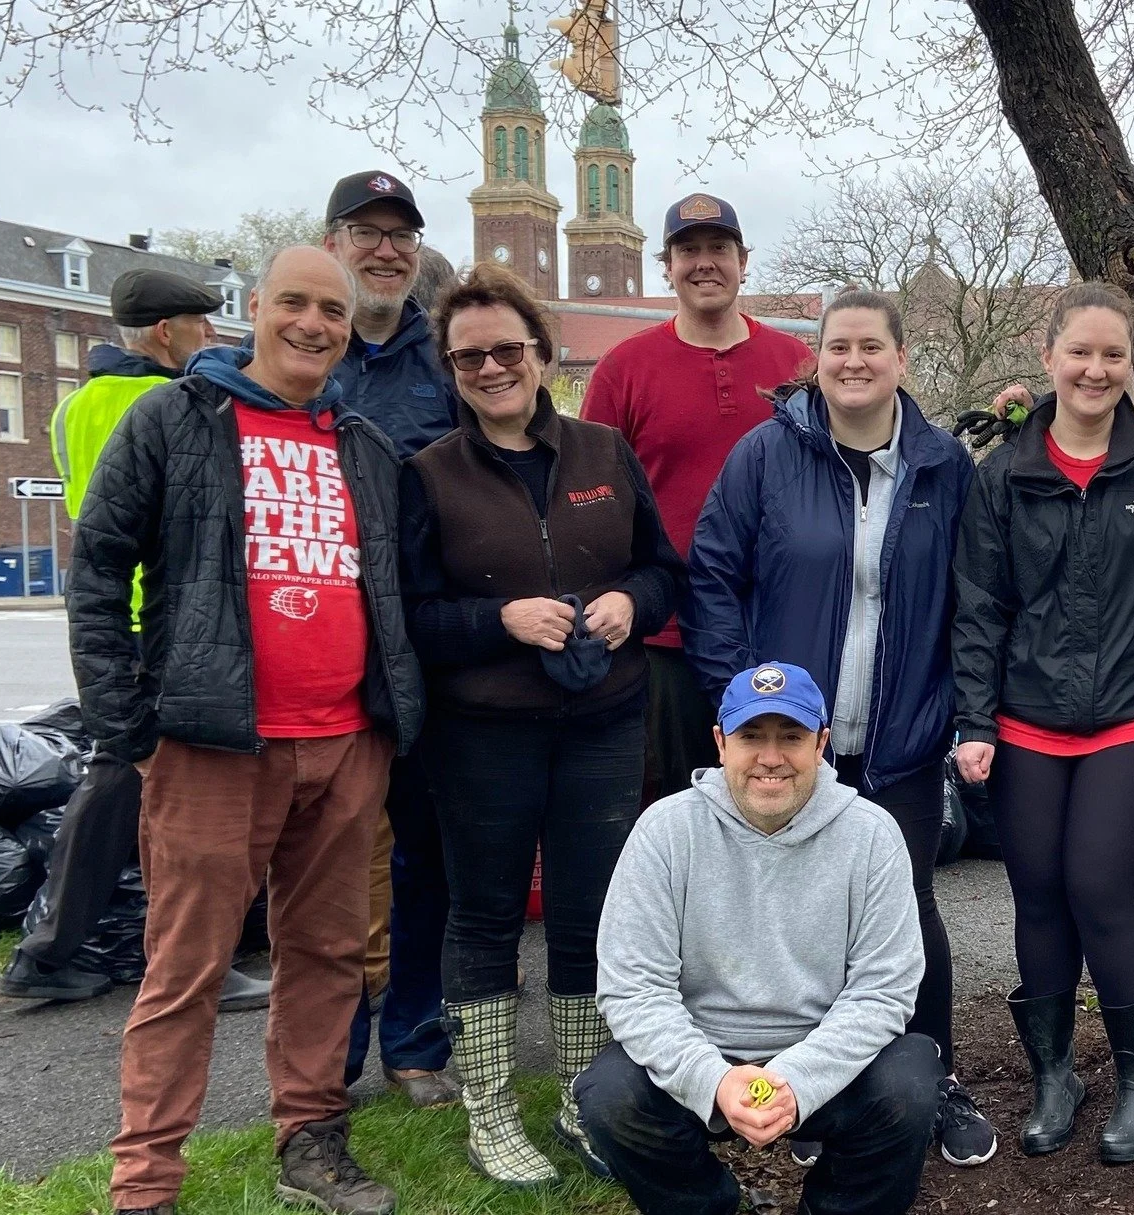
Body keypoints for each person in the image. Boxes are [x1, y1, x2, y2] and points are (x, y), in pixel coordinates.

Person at [71, 246, 423, 1215]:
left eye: (334, 312)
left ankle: (309, 1141)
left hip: (347, 745)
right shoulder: (173, 422)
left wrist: (388, 726)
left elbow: (389, 591)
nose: (314, 324)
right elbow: (98, 570)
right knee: (185, 969)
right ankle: (146, 1178)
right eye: (296, 304)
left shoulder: (364, 446)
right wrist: (128, 728)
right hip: (210, 745)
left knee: (325, 955)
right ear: (255, 308)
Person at [685, 289, 998, 1167]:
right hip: (790, 741)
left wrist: (960, 711)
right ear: (815, 360)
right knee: (797, 913)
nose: (853, 361)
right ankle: (806, 1088)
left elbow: (973, 603)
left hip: (899, 737)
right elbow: (712, 576)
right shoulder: (765, 456)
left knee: (907, 908)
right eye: (837, 348)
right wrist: (737, 701)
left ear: (902, 360)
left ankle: (930, 1077)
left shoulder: (943, 470)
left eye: (872, 347)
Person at [398, 263, 686, 1186]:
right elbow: (408, 615)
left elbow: (661, 570)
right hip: (482, 733)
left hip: (602, 720)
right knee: (483, 913)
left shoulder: (604, 453)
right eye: (469, 355)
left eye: (507, 349)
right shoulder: (429, 476)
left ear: (542, 353)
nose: (490, 368)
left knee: (588, 912)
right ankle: (487, 1107)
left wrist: (628, 607)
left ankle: (576, 1092)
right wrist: (500, 620)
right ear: (451, 367)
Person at [950, 281, 1134, 1166]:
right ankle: (1055, 1073)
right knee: (1038, 897)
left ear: (1129, 363)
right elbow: (981, 607)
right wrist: (974, 718)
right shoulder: (1003, 477)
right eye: (1081, 352)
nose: (1096, 369)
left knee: (1101, 888)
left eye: (1113, 355)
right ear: (1049, 355)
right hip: (1026, 723)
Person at [2, 268, 271, 1014]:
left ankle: (55, 949)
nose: (211, 339)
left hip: (114, 622)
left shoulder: (74, 408)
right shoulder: (168, 404)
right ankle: (180, 957)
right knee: (166, 799)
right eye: (201, 326)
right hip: (164, 626)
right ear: (166, 333)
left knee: (119, 784)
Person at [578, 662, 939, 1215]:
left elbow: (884, 990)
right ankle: (708, 1206)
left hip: (826, 1050)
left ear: (821, 744)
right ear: (721, 742)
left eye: (791, 737)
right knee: (610, 1097)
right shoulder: (665, 831)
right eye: (752, 737)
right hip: (704, 1046)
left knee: (910, 1083)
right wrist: (714, 1080)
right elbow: (632, 987)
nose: (771, 758)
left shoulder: (871, 834)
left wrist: (797, 1078)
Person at [581, 193, 813, 806]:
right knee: (683, 803)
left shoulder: (796, 363)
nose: (704, 263)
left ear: (744, 261)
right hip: (669, 637)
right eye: (689, 250)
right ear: (667, 265)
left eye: (719, 249)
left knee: (785, 798)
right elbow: (588, 495)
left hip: (785, 621)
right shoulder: (623, 369)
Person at [318, 169, 461, 1109]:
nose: (385, 250)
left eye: (400, 235)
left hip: (423, 646)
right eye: (367, 232)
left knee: (422, 857)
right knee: (325, 863)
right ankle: (328, 1054)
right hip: (323, 647)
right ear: (333, 242)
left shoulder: (444, 362)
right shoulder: (302, 352)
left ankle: (413, 1037)